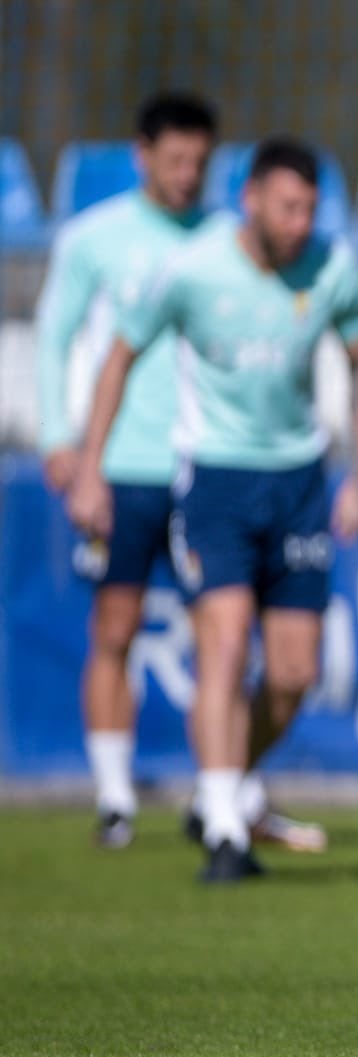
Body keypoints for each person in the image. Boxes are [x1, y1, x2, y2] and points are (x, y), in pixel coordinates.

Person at [66, 137, 358, 883]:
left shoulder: (335, 266)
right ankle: (225, 832)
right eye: (288, 206)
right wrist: (89, 467)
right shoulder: (195, 269)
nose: (302, 222)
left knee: (295, 671)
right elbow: (119, 358)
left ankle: (225, 785)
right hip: (214, 481)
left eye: (311, 208)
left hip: (300, 482)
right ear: (251, 199)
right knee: (226, 641)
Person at [35, 92, 221, 849]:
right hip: (122, 466)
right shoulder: (94, 239)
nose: (186, 175)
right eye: (174, 160)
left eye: (199, 163)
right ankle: (115, 797)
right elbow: (54, 337)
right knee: (115, 624)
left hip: (207, 465)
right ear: (142, 154)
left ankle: (222, 795)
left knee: (223, 633)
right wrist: (64, 443)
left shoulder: (226, 239)